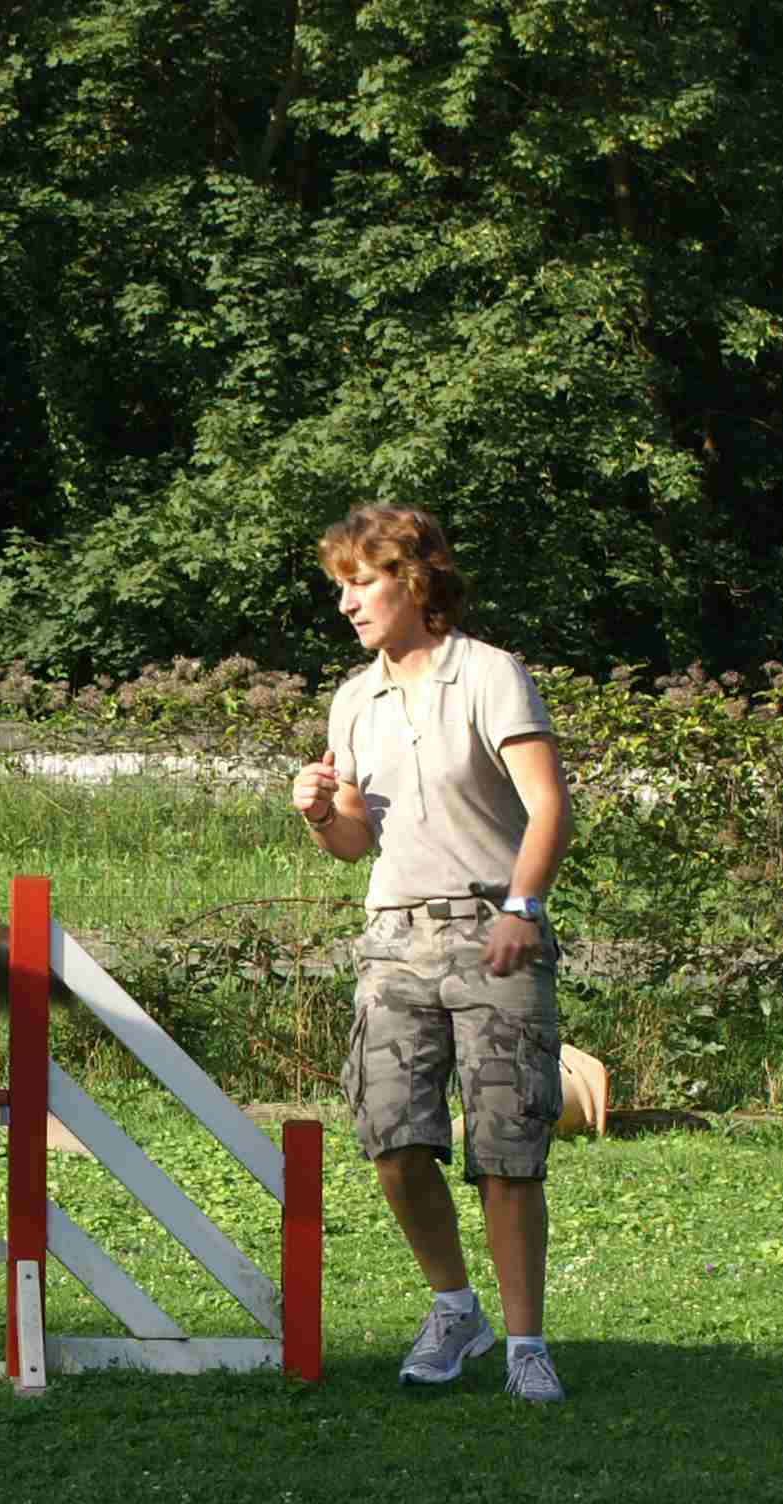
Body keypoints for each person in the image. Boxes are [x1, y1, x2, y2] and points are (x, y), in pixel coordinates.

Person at [289, 503, 574, 1403]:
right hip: (393, 939)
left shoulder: (489, 675)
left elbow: (549, 806)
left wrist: (522, 907)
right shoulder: (353, 699)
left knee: (506, 1150)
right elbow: (353, 843)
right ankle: (457, 1311)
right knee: (393, 1138)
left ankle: (526, 1345)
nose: (347, 604)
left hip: (495, 933)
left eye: (360, 583)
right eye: (340, 587)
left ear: (413, 581)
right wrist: (317, 812)